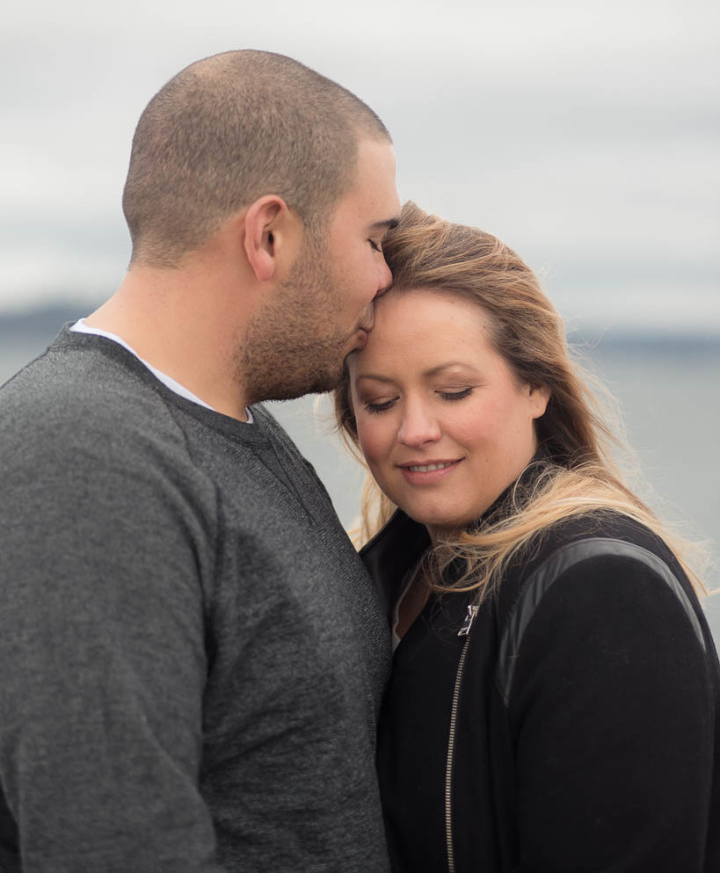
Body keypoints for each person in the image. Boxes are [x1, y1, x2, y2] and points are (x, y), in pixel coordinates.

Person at [0, 50, 400, 872]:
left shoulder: (236, 423)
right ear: (269, 235)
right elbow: (110, 844)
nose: (385, 277)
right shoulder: (86, 453)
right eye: (374, 239)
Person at [334, 202, 720, 872]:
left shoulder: (601, 590)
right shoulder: (390, 572)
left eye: (453, 390)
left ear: (536, 384)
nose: (414, 429)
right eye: (380, 400)